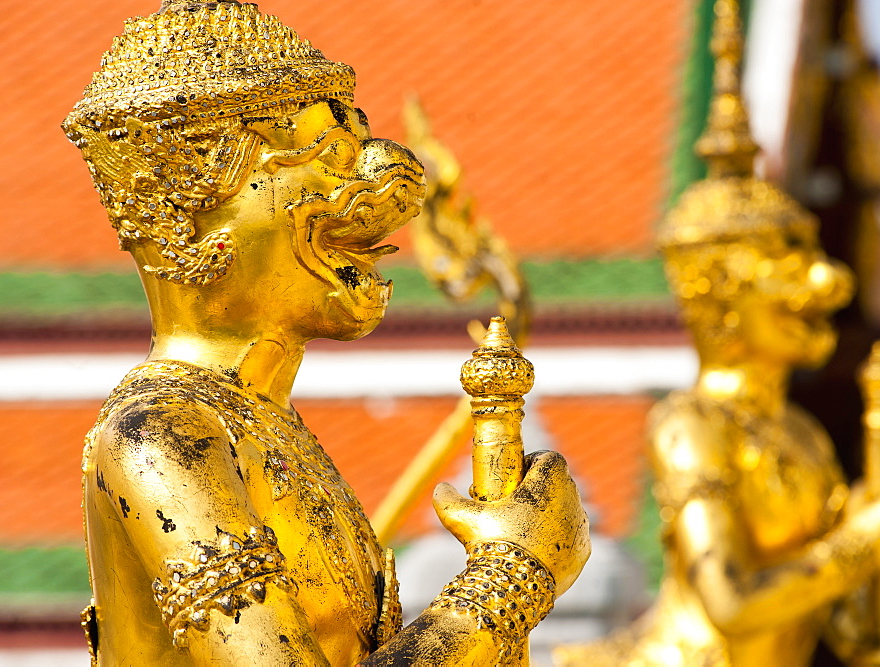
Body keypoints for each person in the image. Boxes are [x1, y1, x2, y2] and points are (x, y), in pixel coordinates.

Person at [63, 2, 589, 664]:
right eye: (331, 156)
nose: (377, 179)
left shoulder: (267, 424)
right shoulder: (158, 436)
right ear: (192, 208)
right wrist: (510, 574)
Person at [554, 1, 880, 665]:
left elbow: (831, 617)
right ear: (720, 297)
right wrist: (861, 541)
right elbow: (733, 603)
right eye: (785, 262)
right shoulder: (691, 426)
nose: (822, 280)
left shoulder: (803, 438)